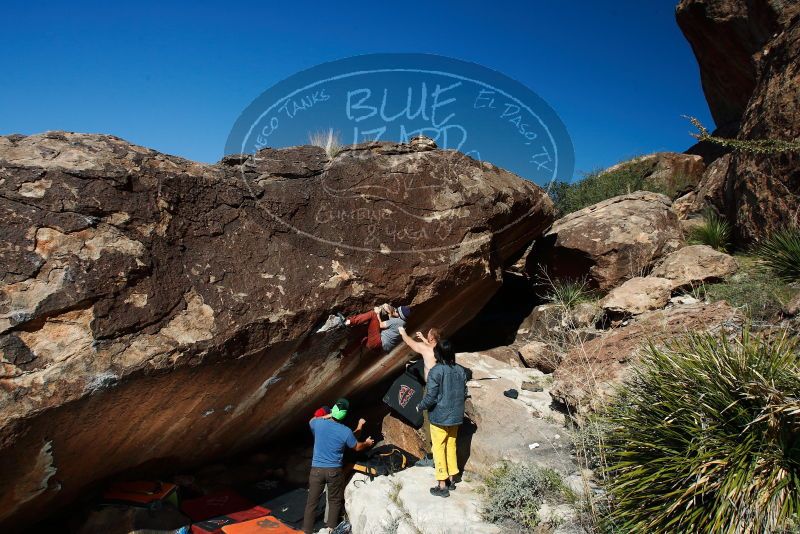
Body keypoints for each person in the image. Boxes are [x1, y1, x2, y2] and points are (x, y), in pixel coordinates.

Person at [302, 398, 374, 534]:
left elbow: (311, 420)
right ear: (345, 415)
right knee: (334, 500)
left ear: (333, 410)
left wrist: (329, 415)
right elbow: (356, 446)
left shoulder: (318, 424)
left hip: (316, 470)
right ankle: (329, 529)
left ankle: (306, 531)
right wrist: (367, 443)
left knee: (311, 502)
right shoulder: (344, 431)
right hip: (334, 471)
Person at [415, 340, 467, 498]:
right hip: (456, 416)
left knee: (438, 448)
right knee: (451, 446)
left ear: (438, 353)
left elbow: (431, 396)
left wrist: (421, 405)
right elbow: (464, 393)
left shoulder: (436, 371)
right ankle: (452, 479)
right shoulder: (460, 370)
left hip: (440, 417)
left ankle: (442, 485)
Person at [345, 304, 411, 353]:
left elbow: (380, 325)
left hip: (377, 341)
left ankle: (349, 321)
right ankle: (346, 352)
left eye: (396, 311)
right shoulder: (403, 324)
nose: (395, 310)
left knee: (372, 314)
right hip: (378, 348)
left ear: (399, 315)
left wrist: (378, 313)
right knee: (363, 337)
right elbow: (392, 323)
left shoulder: (397, 321)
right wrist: (390, 312)